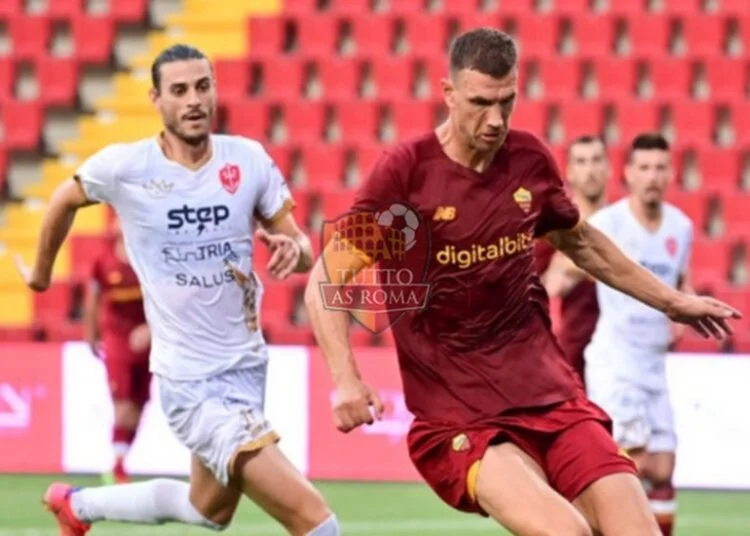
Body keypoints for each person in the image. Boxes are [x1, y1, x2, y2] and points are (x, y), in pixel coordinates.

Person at [303, 29, 739, 536]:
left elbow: (584, 244)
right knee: (567, 532)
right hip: (459, 417)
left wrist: (672, 301)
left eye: (506, 101)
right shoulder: (406, 173)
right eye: (480, 103)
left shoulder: (529, 160)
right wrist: (346, 377)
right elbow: (326, 279)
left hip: (551, 396)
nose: (495, 119)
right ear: (447, 93)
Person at [17, 44, 340, 536]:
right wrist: (41, 275)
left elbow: (298, 244)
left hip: (247, 370)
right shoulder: (127, 167)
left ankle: (78, 506)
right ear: (156, 99)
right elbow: (63, 198)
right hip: (192, 384)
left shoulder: (247, 160)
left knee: (207, 511)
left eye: (203, 87)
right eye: (180, 90)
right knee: (317, 523)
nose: (194, 100)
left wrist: (290, 250)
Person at [584, 133, 692, 536]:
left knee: (663, 467)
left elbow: (682, 283)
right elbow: (568, 262)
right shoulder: (606, 224)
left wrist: (686, 311)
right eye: (643, 167)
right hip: (616, 363)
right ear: (627, 174)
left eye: (660, 167)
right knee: (629, 467)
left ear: (671, 173)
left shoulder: (681, 228)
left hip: (654, 365)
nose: (652, 176)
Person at [535, 135, 610, 385]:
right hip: (572, 352)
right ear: (569, 171)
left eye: (596, 160)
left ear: (608, 167)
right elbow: (543, 286)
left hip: (621, 354)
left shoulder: (623, 224)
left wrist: (573, 264)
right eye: (581, 161)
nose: (590, 170)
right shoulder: (553, 228)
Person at [83, 215, 151, 485]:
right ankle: (118, 467)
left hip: (148, 341)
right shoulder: (103, 262)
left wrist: (151, 329)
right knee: (122, 405)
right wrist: (91, 334)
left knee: (139, 405)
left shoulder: (148, 259)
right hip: (117, 340)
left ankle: (121, 459)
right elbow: (93, 300)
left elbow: (165, 299)